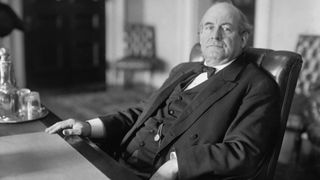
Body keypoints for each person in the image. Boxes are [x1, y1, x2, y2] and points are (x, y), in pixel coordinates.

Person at [46, 1, 281, 180]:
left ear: (243, 38)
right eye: (208, 27)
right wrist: (87, 126)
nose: (215, 35)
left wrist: (178, 164)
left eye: (226, 28)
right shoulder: (182, 70)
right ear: (200, 34)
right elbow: (141, 113)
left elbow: (244, 151)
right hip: (118, 161)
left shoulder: (257, 85)